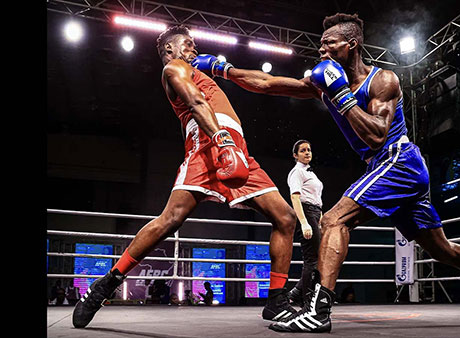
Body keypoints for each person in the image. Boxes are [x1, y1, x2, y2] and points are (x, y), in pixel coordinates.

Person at [190, 12, 460, 333]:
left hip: (398, 160)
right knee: (442, 249)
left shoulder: (382, 81)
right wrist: (224, 69)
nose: (322, 49)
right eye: (321, 43)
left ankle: (320, 310)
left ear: (352, 44)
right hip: (386, 168)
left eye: (330, 43)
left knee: (333, 220)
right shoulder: (321, 81)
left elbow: (375, 134)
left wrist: (342, 95)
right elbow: (268, 84)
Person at [72, 24, 298, 329]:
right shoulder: (174, 68)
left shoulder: (201, 70)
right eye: (188, 44)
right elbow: (195, 103)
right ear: (170, 49)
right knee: (171, 219)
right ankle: (106, 284)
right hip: (211, 144)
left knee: (284, 217)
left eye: (194, 45)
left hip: (236, 149)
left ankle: (276, 300)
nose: (194, 49)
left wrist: (310, 90)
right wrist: (220, 139)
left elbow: (262, 82)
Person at [285, 140, 323, 307]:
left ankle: (297, 293)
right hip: (306, 213)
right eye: (303, 150)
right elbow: (295, 197)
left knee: (316, 258)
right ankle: (305, 299)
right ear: (295, 155)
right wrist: (304, 223)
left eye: (309, 150)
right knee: (311, 260)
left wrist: (319, 219)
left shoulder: (311, 173)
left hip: (314, 213)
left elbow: (317, 199)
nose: (307, 152)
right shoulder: (297, 173)